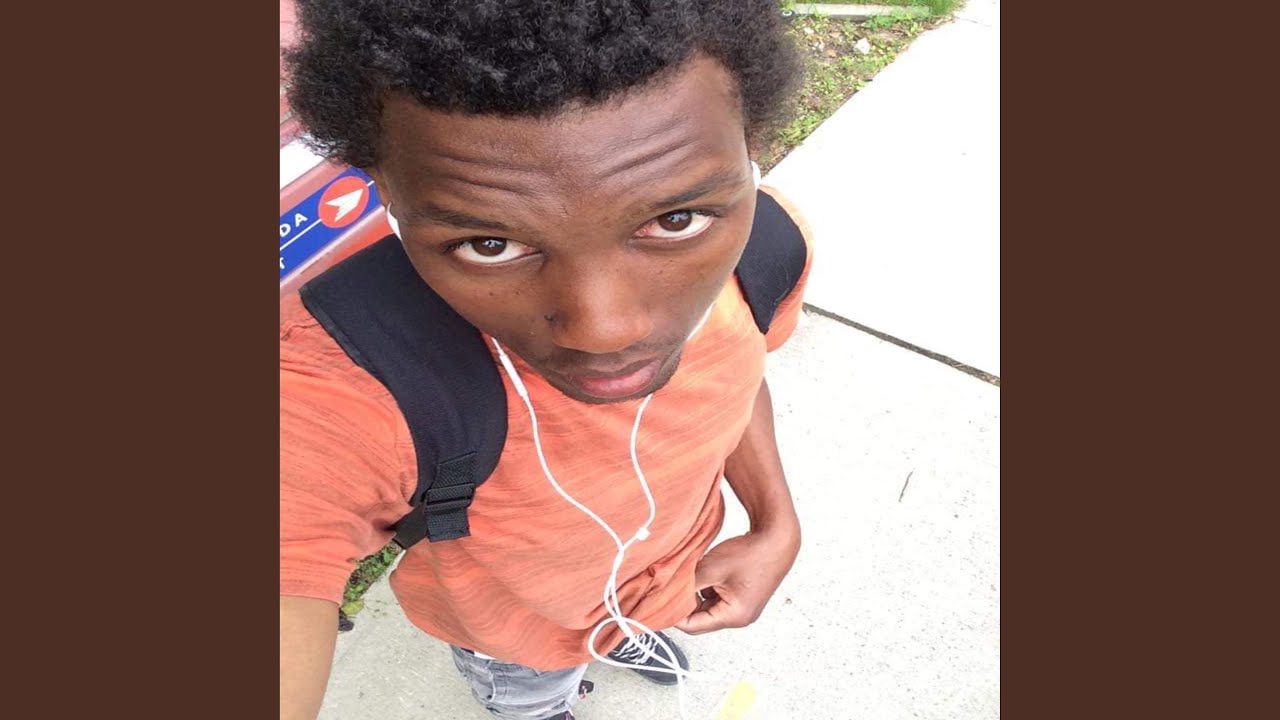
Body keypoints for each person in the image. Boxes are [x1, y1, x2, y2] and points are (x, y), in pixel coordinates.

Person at [280, 2, 813, 719]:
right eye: (490, 244)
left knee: (624, 629)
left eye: (673, 220)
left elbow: (738, 374)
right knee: (530, 695)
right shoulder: (346, 380)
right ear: (386, 189)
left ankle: (622, 635)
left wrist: (774, 518)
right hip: (515, 640)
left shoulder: (765, 252)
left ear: (748, 149)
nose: (604, 332)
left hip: (668, 583)